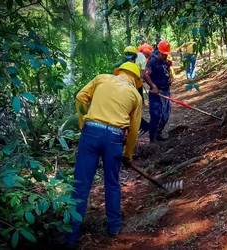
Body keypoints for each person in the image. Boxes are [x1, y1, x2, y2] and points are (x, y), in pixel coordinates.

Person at [67, 62, 142, 247]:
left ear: (119, 72)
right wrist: (128, 154)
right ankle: (114, 228)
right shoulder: (135, 96)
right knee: (112, 183)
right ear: (135, 80)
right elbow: (133, 130)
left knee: (81, 185)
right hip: (115, 139)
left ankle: (71, 236)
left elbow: (80, 97)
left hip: (91, 133)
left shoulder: (102, 78)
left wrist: (83, 121)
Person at [143, 40, 172, 142]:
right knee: (156, 115)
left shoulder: (163, 59)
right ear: (159, 52)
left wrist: (168, 68)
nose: (165, 56)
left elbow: (164, 70)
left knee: (166, 115)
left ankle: (158, 134)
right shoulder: (152, 61)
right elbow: (145, 74)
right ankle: (152, 139)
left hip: (166, 91)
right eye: (164, 54)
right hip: (157, 93)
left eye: (166, 54)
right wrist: (153, 86)